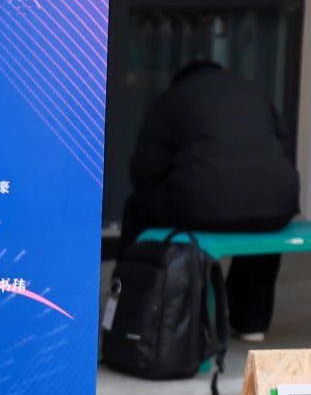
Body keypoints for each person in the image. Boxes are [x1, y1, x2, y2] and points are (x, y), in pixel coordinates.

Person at [121, 60, 300, 341]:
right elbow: (284, 152)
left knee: (137, 208)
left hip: (203, 204)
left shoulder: (173, 98)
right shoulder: (255, 92)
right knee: (259, 214)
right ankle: (251, 322)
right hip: (278, 203)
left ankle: (133, 307)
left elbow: (145, 170)